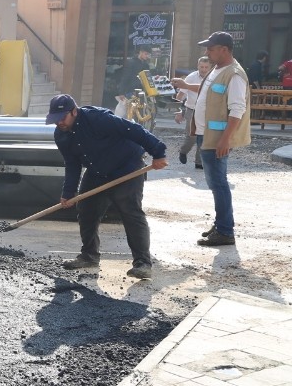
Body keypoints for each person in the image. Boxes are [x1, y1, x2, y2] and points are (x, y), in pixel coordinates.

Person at [47, 94, 168, 279]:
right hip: (97, 171)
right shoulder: (61, 135)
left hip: (126, 167)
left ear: (74, 111)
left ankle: (143, 263)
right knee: (86, 209)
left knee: (130, 211)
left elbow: (133, 129)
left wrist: (158, 153)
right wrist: (68, 193)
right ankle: (89, 255)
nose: (59, 123)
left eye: (62, 118)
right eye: (55, 120)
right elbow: (72, 164)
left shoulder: (98, 119)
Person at [171, 32, 250, 247]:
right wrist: (186, 86)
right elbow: (206, 92)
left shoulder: (234, 75)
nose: (207, 52)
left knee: (218, 183)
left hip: (216, 138)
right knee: (215, 183)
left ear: (223, 49)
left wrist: (224, 141)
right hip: (206, 135)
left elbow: (237, 110)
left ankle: (225, 231)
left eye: (211, 48)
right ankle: (222, 224)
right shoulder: (217, 70)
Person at [174, 57, 210, 169]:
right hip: (191, 109)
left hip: (207, 111)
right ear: (198, 66)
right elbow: (180, 95)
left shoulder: (213, 77)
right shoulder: (191, 77)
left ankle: (199, 162)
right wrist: (179, 111)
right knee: (192, 136)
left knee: (204, 136)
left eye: (206, 67)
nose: (204, 69)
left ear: (210, 67)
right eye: (201, 67)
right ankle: (184, 151)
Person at [107, 46, 151, 112]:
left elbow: (148, 77)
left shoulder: (146, 65)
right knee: (130, 111)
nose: (147, 56)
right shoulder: (131, 62)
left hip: (142, 91)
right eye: (146, 54)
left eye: (148, 54)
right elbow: (125, 77)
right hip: (131, 90)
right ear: (140, 52)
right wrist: (121, 92)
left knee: (140, 111)